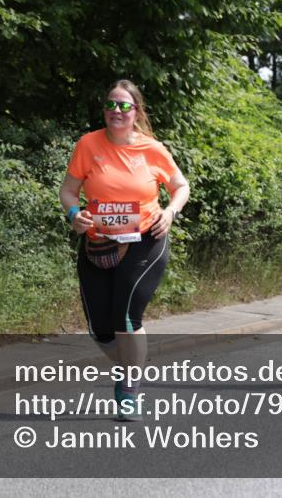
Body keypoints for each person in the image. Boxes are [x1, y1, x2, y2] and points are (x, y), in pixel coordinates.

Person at [59, 80, 190, 420]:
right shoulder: (88, 144)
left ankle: (129, 387)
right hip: (98, 241)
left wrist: (170, 211)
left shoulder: (152, 149)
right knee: (100, 329)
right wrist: (75, 214)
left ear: (136, 112)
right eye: (111, 105)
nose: (117, 111)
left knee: (127, 317)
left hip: (146, 238)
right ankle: (133, 365)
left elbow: (180, 186)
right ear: (104, 109)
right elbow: (69, 191)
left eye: (124, 106)